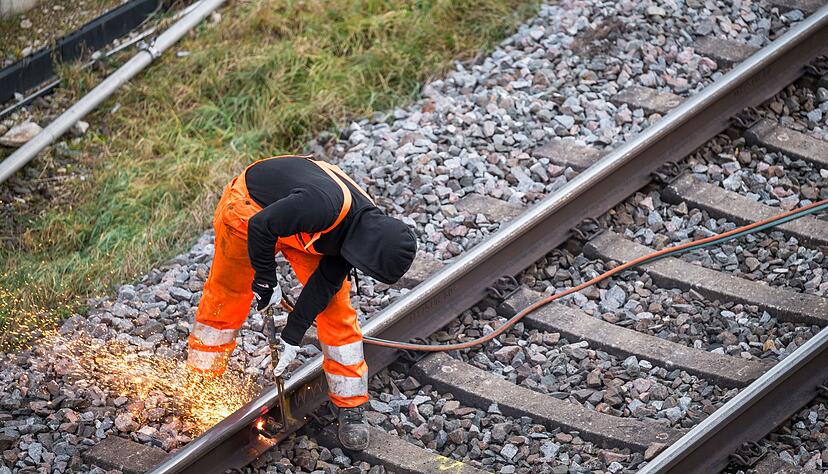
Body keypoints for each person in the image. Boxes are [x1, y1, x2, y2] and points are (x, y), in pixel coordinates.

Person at [187, 155, 417, 450]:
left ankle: (350, 404)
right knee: (227, 298)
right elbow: (260, 226)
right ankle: (202, 382)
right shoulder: (322, 206)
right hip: (251, 210)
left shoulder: (366, 232)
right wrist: (266, 280)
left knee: (337, 312)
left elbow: (324, 285)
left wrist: (292, 336)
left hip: (304, 225)